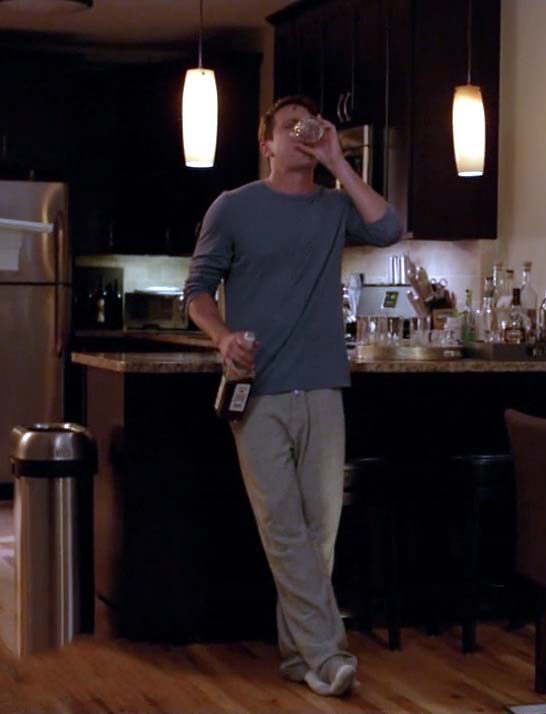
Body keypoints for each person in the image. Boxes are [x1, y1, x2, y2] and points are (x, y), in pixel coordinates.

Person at [184, 95, 403, 697]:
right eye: (290, 127)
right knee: (284, 530)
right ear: (267, 144)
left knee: (319, 536)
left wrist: (338, 158)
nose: (301, 134)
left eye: (310, 126)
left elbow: (389, 228)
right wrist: (222, 337)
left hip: (324, 388)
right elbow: (196, 291)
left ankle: (297, 658)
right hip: (257, 393)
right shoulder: (233, 208)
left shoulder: (334, 207)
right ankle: (329, 656)